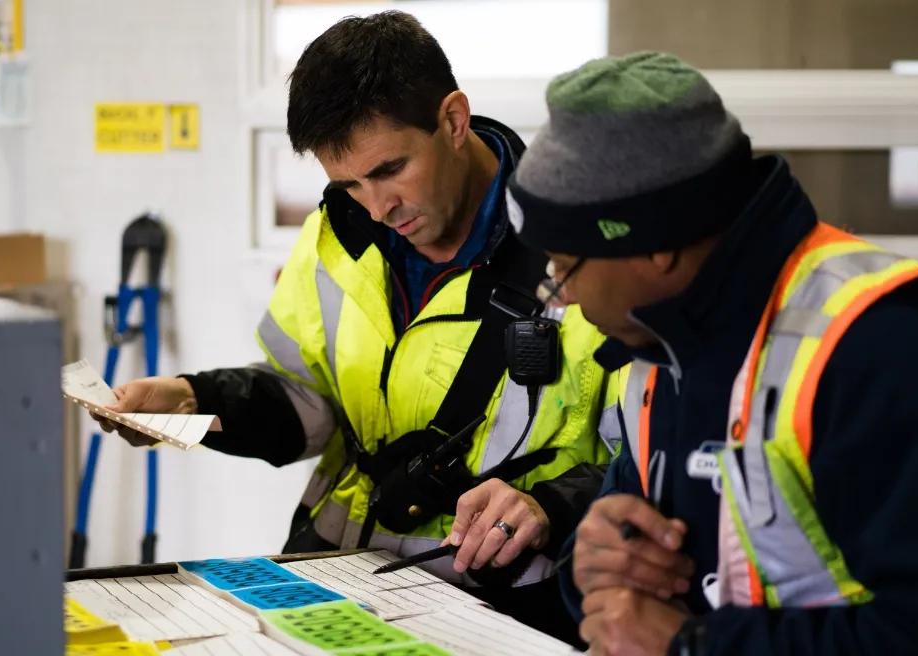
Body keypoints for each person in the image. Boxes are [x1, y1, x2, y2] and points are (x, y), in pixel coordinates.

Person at [95, 11, 617, 642]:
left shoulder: (581, 250)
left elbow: (647, 461)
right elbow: (308, 398)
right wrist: (192, 400)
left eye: (391, 170)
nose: (377, 206)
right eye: (348, 183)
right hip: (332, 587)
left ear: (453, 120)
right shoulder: (338, 234)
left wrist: (547, 505)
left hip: (502, 615)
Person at [501, 51, 918, 654]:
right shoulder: (657, 345)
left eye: (565, 267)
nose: (561, 298)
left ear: (655, 245)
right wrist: (591, 562)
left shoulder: (888, 346)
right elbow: (627, 560)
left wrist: (694, 644)